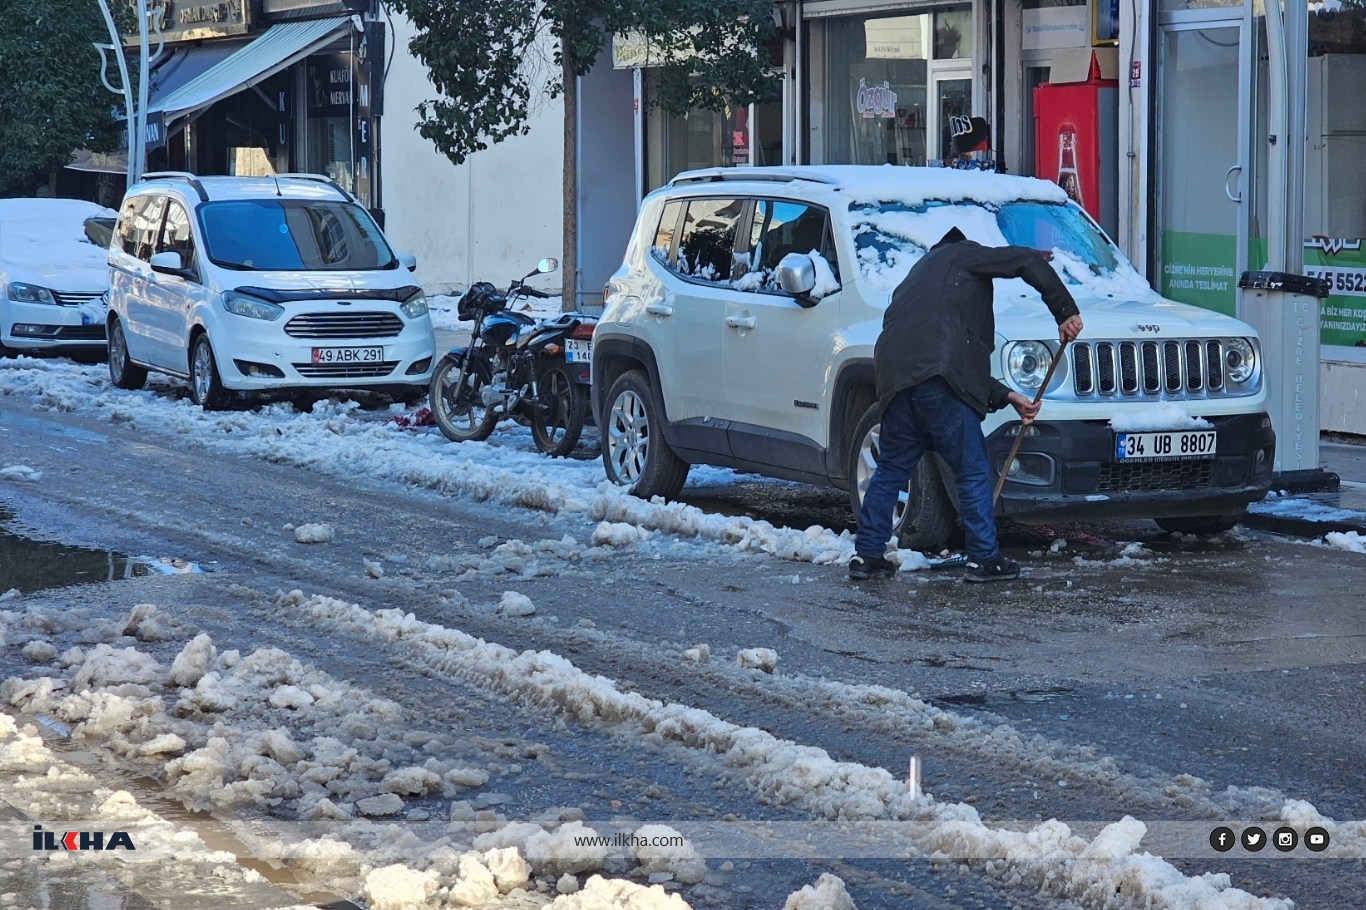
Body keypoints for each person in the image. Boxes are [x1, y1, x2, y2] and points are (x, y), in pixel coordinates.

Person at [850, 227, 1083, 583]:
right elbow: (1026, 259)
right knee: (972, 471)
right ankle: (984, 559)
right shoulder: (963, 255)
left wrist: (1008, 396)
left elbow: (943, 352)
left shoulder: (916, 278)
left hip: (896, 384)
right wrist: (1065, 311)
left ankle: (867, 556)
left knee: (891, 470)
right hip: (938, 381)